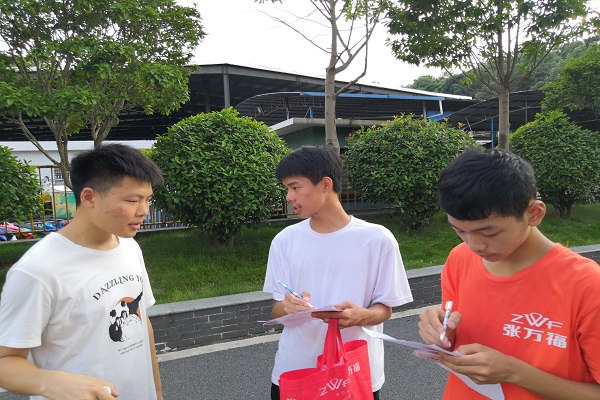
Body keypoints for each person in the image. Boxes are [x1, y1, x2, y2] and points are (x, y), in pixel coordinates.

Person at [418, 148, 600, 399]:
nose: (474, 245)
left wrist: (515, 373)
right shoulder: (460, 259)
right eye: (459, 231)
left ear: (534, 213)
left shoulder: (587, 285)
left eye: (490, 233)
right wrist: (443, 333)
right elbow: (459, 331)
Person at [0, 144, 165, 400]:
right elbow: (6, 360)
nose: (144, 210)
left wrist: (156, 392)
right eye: (133, 200)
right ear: (88, 197)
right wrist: (50, 383)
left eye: (148, 199)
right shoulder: (37, 271)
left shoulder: (130, 247)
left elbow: (143, 322)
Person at [263, 146, 413, 400]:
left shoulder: (377, 239)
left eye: (295, 187)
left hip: (354, 373)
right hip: (296, 371)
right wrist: (288, 307)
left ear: (325, 184)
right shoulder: (284, 241)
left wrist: (363, 315)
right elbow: (277, 309)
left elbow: (385, 308)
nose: (289, 197)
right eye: (286, 188)